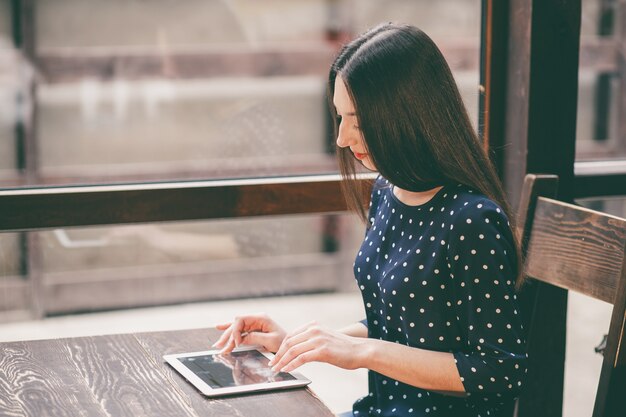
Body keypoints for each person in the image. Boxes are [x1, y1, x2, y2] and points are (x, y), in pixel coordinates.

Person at [213, 22, 527, 417]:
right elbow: (397, 322)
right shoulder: (386, 191)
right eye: (340, 117)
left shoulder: (472, 220)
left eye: (358, 121)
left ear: (408, 117)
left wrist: (363, 352)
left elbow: (500, 372)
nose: (342, 138)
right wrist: (298, 341)